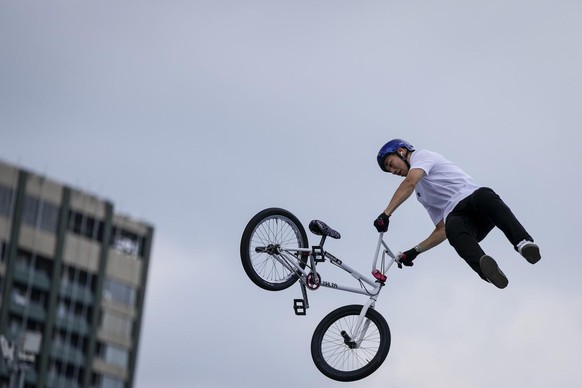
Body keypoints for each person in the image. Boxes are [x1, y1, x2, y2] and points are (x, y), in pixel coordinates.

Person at [373, 138, 541, 289]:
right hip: (465, 222)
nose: (393, 171)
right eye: (389, 170)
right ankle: (487, 270)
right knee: (451, 227)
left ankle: (523, 243)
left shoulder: (421, 156)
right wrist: (415, 251)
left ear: (401, 152)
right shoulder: (420, 194)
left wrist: (386, 214)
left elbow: (409, 182)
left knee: (484, 195)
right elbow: (441, 230)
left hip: (475, 203)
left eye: (390, 164)